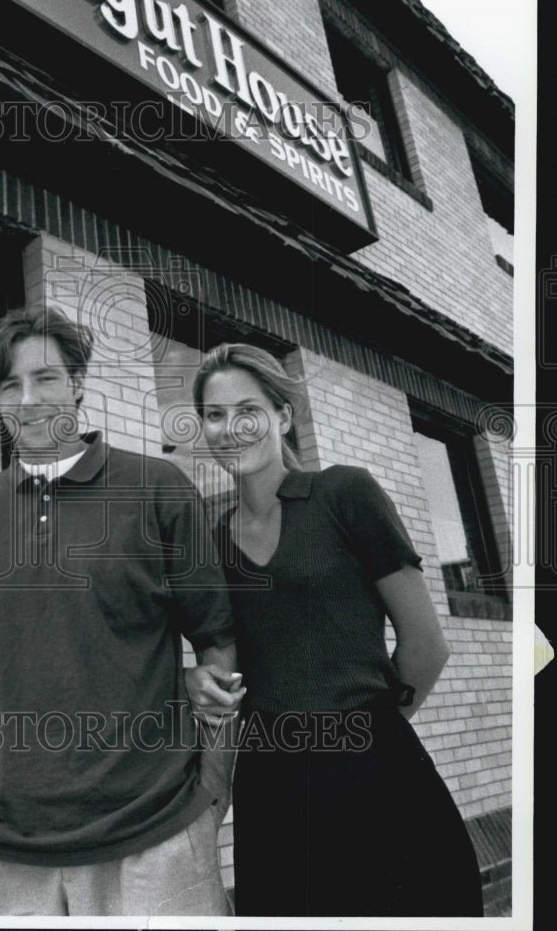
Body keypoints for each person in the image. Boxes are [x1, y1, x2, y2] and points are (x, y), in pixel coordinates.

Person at [0, 304, 240, 916]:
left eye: (45, 377)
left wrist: (213, 790)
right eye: (9, 385)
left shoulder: (159, 489)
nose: (28, 399)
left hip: (155, 832)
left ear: (77, 384)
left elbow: (219, 644)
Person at [187, 343, 484, 917]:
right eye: (214, 415)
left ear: (283, 416)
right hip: (271, 779)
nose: (230, 428)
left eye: (247, 409)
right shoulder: (211, 540)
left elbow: (426, 645)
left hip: (372, 762)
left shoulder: (344, 494)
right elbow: (224, 660)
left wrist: (365, 733)